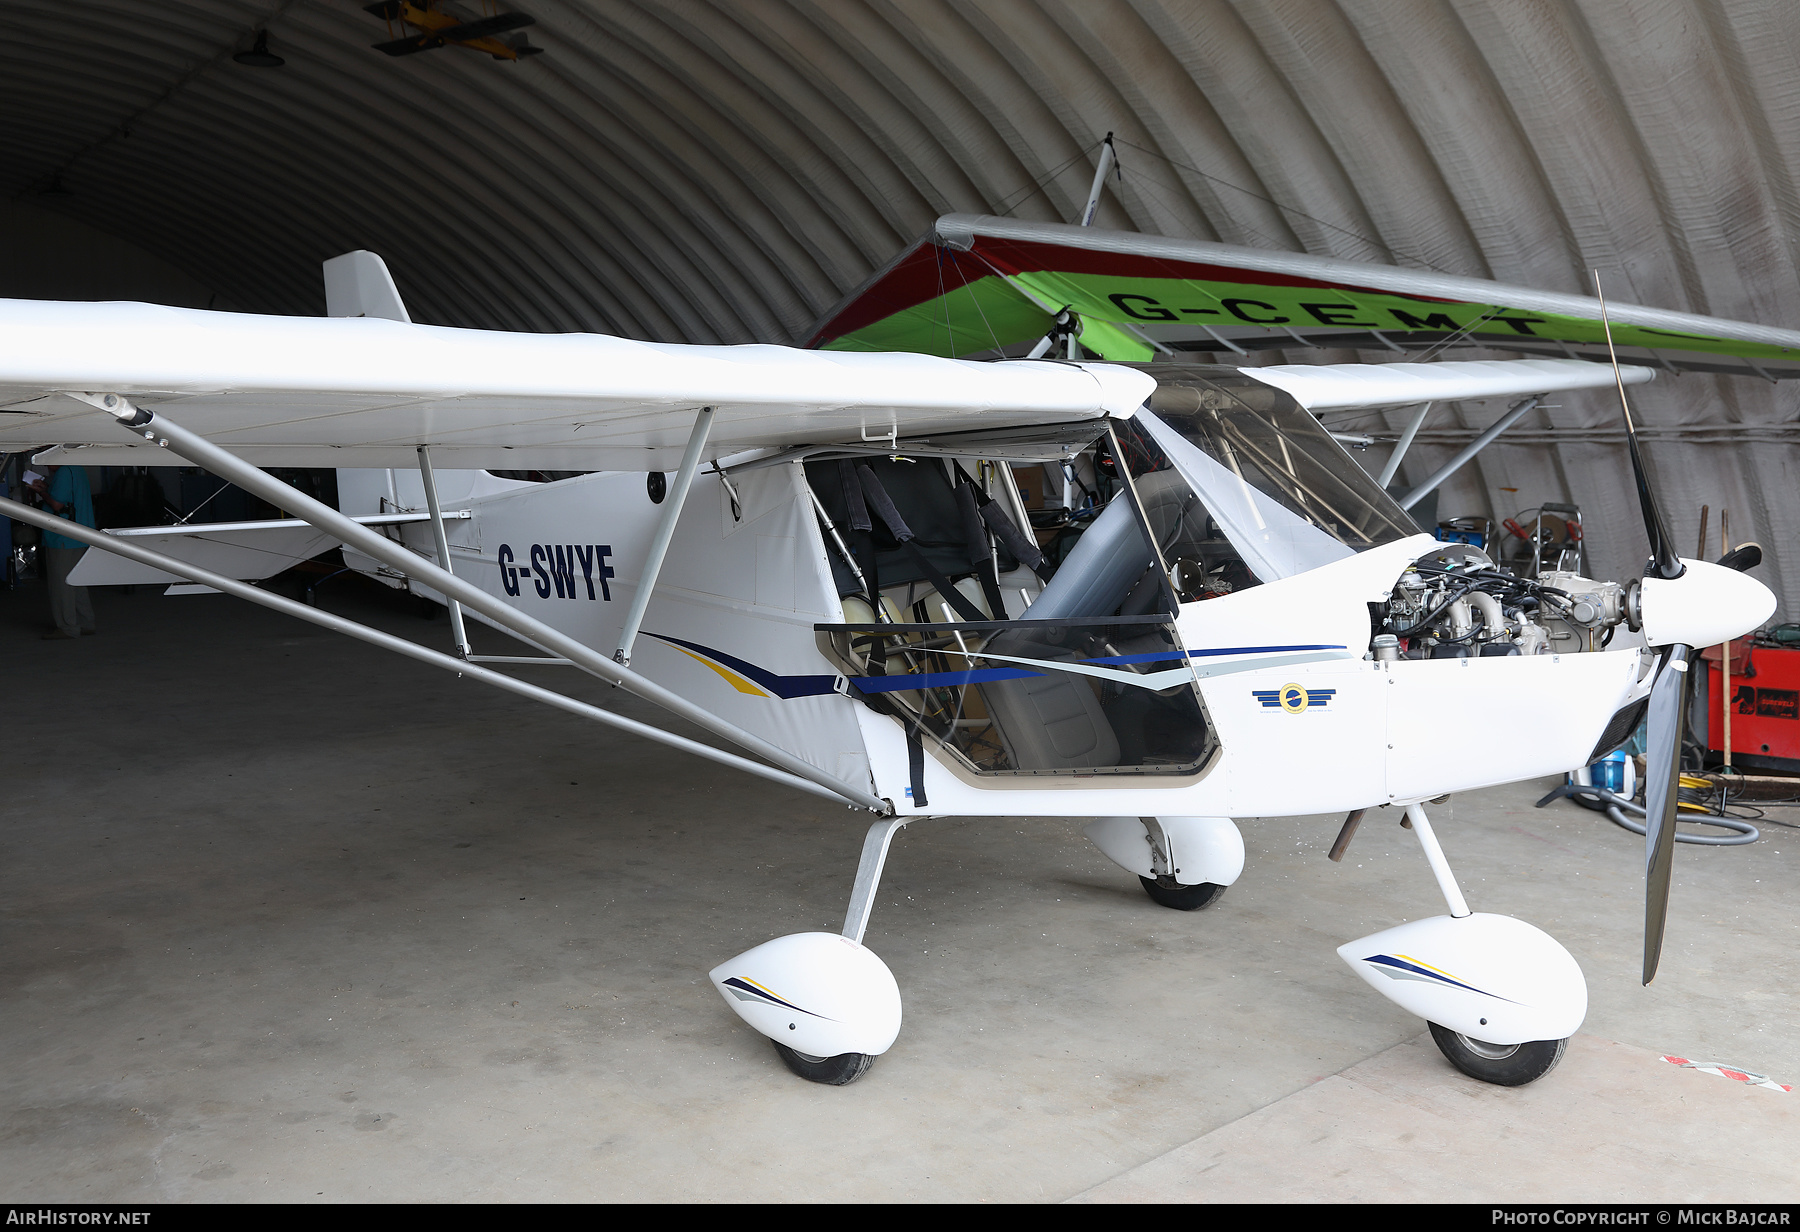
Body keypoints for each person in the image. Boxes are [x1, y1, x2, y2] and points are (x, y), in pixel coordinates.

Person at [29, 464, 96, 639]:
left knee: (61, 585)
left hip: (62, 538)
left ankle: (68, 627)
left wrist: (41, 493)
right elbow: (68, 495)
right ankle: (85, 623)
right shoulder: (78, 469)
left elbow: (57, 505)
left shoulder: (63, 472)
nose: (45, 465)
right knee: (77, 582)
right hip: (81, 534)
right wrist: (47, 488)